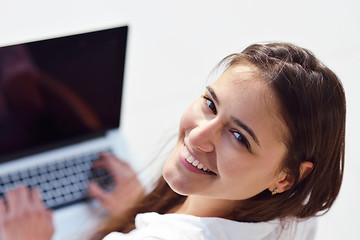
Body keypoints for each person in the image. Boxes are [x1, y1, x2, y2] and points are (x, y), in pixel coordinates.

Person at [0, 42, 346, 240]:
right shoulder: (297, 219)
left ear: (287, 177)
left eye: (239, 137)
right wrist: (138, 208)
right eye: (211, 104)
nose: (197, 136)